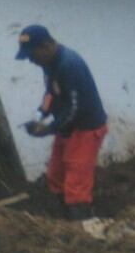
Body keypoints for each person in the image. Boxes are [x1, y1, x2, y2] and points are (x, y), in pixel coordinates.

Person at [17, 25, 108, 220]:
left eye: (32, 55)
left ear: (47, 46)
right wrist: (39, 114)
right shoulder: (49, 64)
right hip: (67, 128)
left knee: (76, 187)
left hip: (85, 130)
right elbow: (51, 92)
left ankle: (84, 231)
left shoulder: (70, 65)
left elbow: (77, 108)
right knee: (55, 178)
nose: (31, 61)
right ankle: (66, 223)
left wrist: (49, 129)